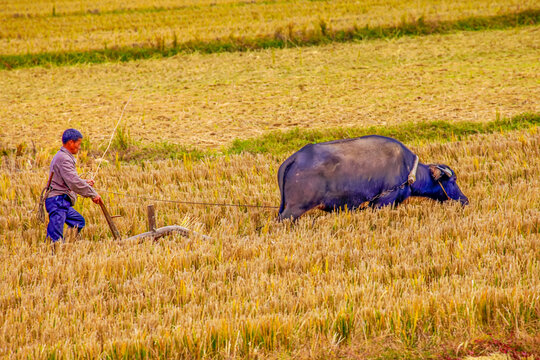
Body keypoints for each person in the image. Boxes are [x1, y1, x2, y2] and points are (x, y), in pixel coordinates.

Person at [45, 129, 103, 243]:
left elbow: (68, 180)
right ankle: (55, 253)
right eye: (79, 143)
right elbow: (73, 182)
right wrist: (92, 194)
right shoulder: (64, 159)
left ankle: (67, 246)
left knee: (78, 222)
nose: (79, 147)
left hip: (62, 201)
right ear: (71, 142)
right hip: (57, 200)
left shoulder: (63, 157)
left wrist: (85, 183)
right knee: (55, 237)